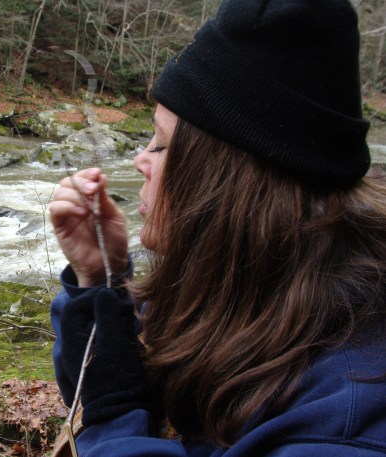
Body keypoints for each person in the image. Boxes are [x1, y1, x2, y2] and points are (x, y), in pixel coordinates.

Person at [48, 0, 386, 455]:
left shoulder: (345, 425)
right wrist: (99, 279)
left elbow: (117, 405)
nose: (140, 160)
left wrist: (114, 415)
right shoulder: (247, 287)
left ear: (226, 181)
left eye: (161, 144)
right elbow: (120, 377)